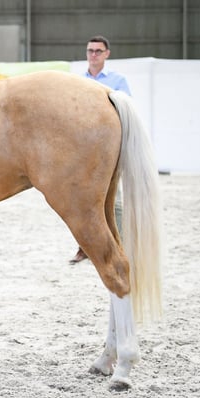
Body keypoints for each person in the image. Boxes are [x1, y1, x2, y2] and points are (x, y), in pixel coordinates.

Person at [70, 35, 130, 264]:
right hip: (82, 149)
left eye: (97, 51)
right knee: (77, 199)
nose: (93, 55)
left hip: (105, 147)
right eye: (90, 51)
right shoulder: (78, 81)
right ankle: (84, 246)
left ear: (107, 54)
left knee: (112, 200)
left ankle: (118, 243)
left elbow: (125, 113)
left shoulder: (117, 81)